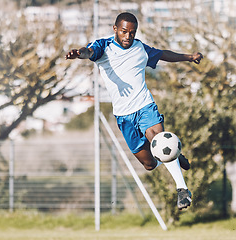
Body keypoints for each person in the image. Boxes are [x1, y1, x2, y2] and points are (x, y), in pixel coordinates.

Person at [65, 12, 203, 210]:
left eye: (132, 32)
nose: (128, 36)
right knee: (149, 163)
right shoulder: (104, 47)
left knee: (157, 137)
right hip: (123, 116)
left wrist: (189, 57)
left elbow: (163, 54)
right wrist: (79, 54)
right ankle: (174, 154)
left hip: (145, 106)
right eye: (124, 32)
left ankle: (182, 190)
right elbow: (88, 52)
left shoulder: (140, 48)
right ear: (115, 29)